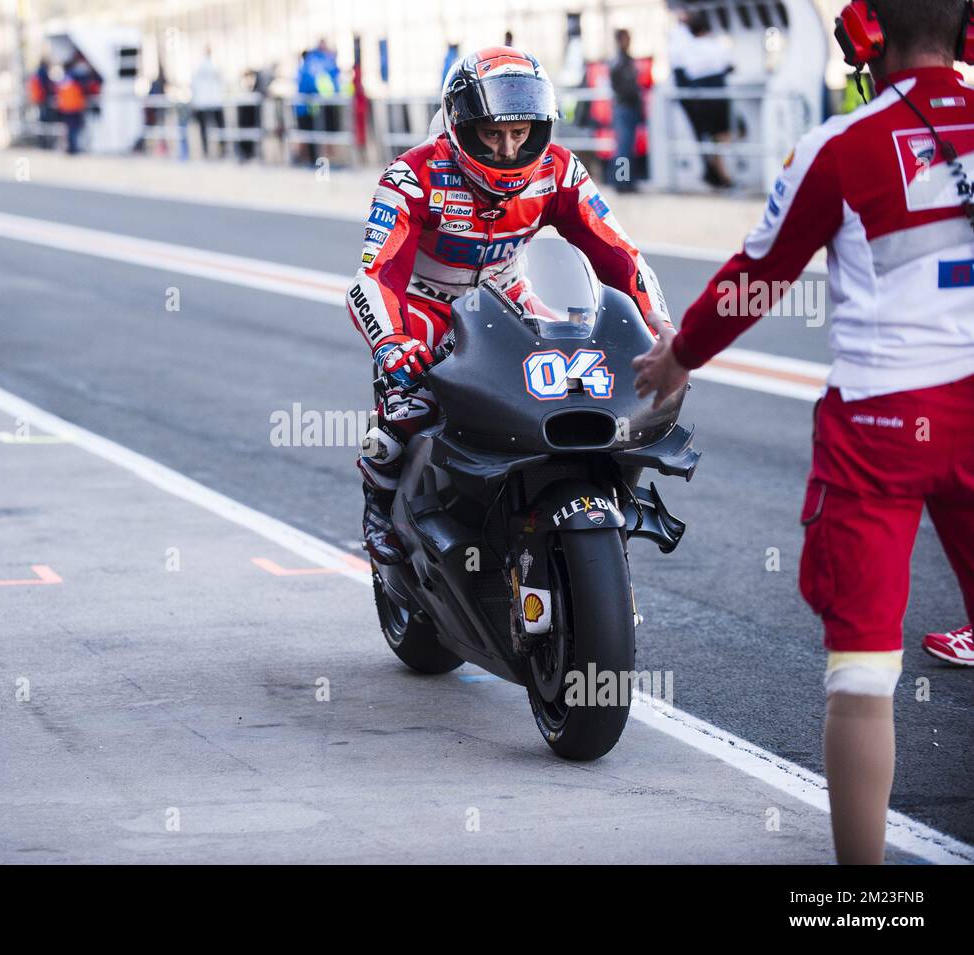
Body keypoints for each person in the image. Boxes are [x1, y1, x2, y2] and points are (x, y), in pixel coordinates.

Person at [632, 0, 974, 864]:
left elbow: (759, 275)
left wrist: (680, 354)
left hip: (880, 429)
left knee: (863, 677)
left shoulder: (841, 145)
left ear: (864, 33)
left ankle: (861, 902)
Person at [345, 46, 668, 565]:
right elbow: (374, 275)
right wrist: (392, 344)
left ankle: (596, 491)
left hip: (509, 297)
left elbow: (619, 252)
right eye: (491, 134)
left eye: (520, 133)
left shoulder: (560, 170)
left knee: (580, 382)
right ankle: (380, 508)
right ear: (458, 127)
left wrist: (661, 327)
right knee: (403, 417)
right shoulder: (410, 176)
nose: (507, 148)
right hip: (427, 309)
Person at [670, 11, 735, 188]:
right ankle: (719, 174)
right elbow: (730, 65)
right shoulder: (716, 46)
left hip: (698, 96)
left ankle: (717, 173)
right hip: (717, 95)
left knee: (708, 137)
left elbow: (687, 70)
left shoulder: (686, 46)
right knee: (722, 136)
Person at [609, 28, 644, 193]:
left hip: (628, 107)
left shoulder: (625, 60)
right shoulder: (619, 62)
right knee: (623, 147)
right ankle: (622, 183)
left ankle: (626, 181)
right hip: (624, 107)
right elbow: (621, 87)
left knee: (627, 147)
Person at [190, 47, 225, 159]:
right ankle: (220, 149)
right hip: (214, 101)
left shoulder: (199, 67)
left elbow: (194, 85)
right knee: (218, 127)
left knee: (205, 129)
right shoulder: (216, 66)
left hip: (203, 102)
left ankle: (207, 151)